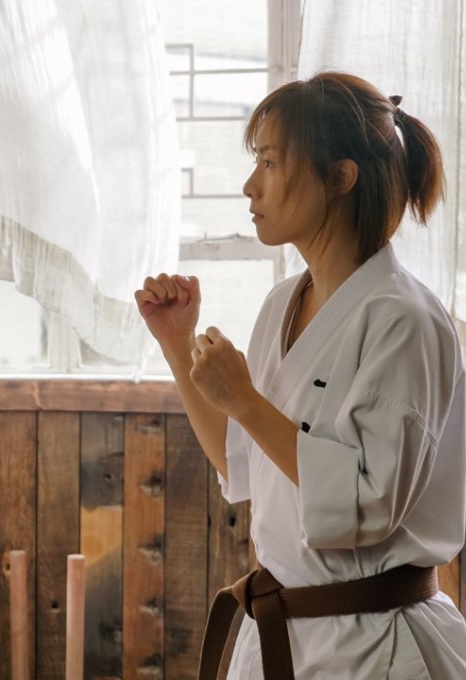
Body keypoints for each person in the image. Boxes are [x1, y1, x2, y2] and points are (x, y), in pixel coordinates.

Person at [136, 72, 466, 678]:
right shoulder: (283, 303)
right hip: (282, 640)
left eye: (268, 161)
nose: (249, 184)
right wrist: (178, 346)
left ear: (341, 176)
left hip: (375, 646)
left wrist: (245, 399)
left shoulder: (405, 319)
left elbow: (368, 507)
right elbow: (241, 463)